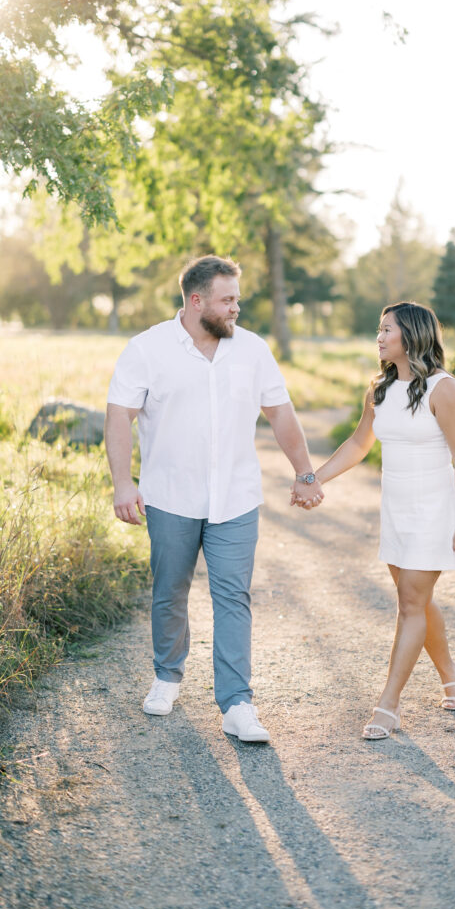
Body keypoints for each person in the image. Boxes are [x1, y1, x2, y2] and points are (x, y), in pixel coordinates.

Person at [105, 255, 322, 743]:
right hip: (169, 497)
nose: (236, 308)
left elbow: (281, 414)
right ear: (196, 300)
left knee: (232, 597)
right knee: (170, 591)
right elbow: (119, 415)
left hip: (236, 499)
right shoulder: (147, 349)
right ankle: (167, 676)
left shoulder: (252, 350)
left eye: (237, 299)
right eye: (227, 300)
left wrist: (305, 473)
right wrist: (124, 483)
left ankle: (237, 704)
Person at [293, 302, 455, 739]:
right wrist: (313, 479)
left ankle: (388, 705)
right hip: (396, 509)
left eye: (386, 329)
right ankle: (452, 673)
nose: (379, 336)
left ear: (411, 336)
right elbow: (359, 443)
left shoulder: (444, 389)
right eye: (378, 329)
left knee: (410, 603)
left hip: (433, 510)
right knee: (417, 598)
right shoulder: (380, 388)